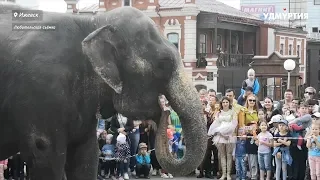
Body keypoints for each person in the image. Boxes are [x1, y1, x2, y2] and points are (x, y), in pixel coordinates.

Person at [208, 97, 238, 180]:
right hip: (220, 136)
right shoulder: (218, 113)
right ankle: (223, 174)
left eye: (227, 102)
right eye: (223, 102)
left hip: (230, 136)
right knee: (222, 155)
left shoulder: (233, 112)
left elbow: (234, 124)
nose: (225, 104)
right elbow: (215, 124)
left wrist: (228, 133)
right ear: (221, 103)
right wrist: (221, 133)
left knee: (229, 155)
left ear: (229, 103)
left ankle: (228, 174)